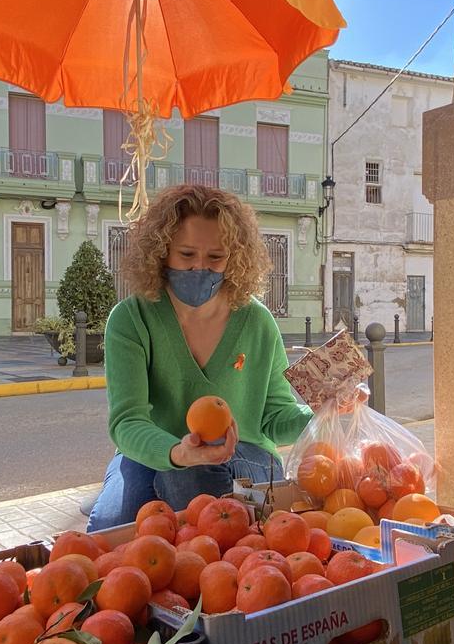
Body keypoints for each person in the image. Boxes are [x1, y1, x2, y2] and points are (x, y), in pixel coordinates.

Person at [86, 184, 313, 531]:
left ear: (234, 258)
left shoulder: (256, 321)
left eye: (215, 258)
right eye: (187, 255)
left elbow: (274, 416)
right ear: (162, 253)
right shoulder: (130, 320)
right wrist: (178, 452)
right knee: (111, 525)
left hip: (247, 453)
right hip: (156, 452)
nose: (200, 269)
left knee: (189, 484)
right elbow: (127, 422)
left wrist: (322, 413)